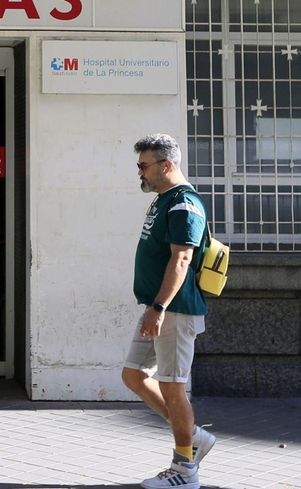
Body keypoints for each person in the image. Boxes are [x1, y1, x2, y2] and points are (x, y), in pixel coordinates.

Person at [121, 134, 216, 489]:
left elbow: (182, 259)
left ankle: (185, 469)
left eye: (144, 166)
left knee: (173, 387)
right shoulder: (164, 200)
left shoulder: (184, 204)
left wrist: (159, 308)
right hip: (157, 308)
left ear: (166, 166)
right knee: (134, 375)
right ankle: (193, 436)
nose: (140, 173)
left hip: (173, 310)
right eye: (139, 166)